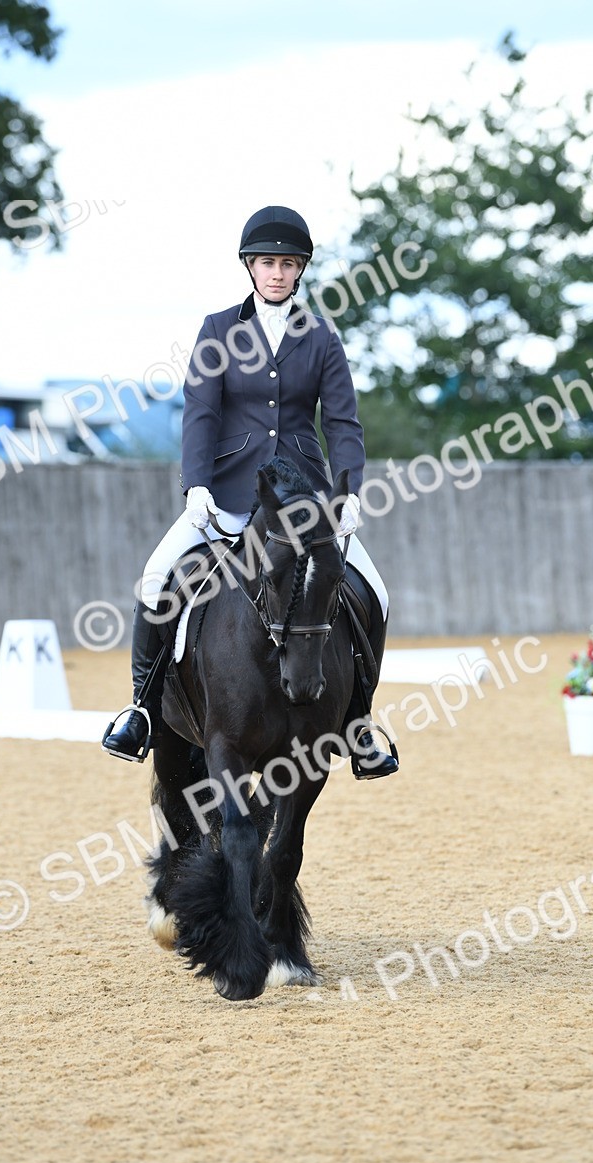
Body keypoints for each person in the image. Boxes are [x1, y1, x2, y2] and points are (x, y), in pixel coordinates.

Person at [102, 205, 397, 779]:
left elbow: (341, 424)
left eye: (288, 264)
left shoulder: (321, 337)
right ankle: (141, 708)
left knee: (375, 594)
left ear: (300, 270)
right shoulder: (219, 329)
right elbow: (200, 412)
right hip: (229, 497)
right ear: (250, 266)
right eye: (267, 263)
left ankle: (358, 720)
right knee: (157, 577)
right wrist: (196, 487)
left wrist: (349, 491)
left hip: (306, 501)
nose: (278, 273)